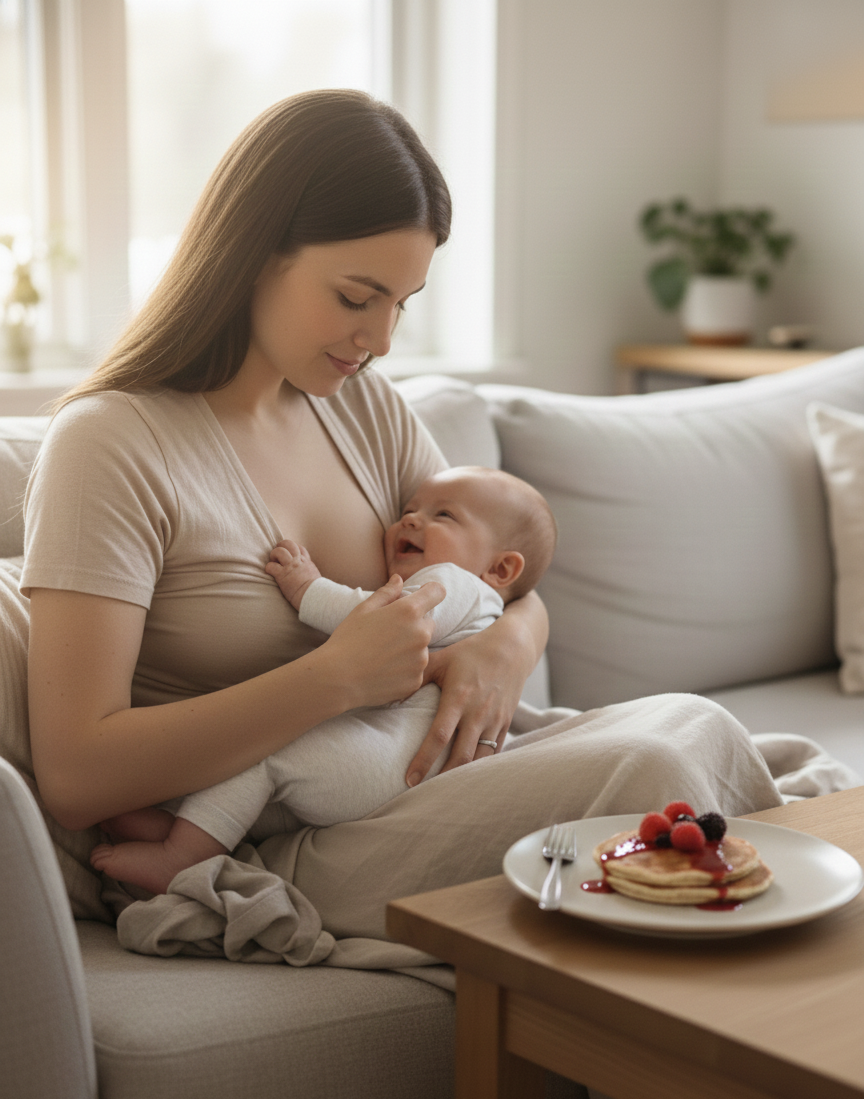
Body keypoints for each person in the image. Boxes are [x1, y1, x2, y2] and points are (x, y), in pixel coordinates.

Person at [22, 89, 782, 953]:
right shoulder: (112, 443)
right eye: (356, 296)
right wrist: (334, 678)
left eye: (403, 303)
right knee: (662, 766)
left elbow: (505, 576)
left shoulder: (362, 410)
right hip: (268, 835)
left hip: (418, 783)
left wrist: (504, 647)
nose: (380, 337)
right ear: (253, 254)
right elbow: (77, 773)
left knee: (694, 725)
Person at [88, 465, 558, 893]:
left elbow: (386, 621)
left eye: (444, 516)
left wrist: (306, 587)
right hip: (398, 763)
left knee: (266, 749)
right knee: (277, 786)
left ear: (500, 569)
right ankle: (178, 827)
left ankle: (180, 855)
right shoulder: (478, 604)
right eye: (409, 510)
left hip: (392, 762)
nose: (410, 521)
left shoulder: (457, 584)